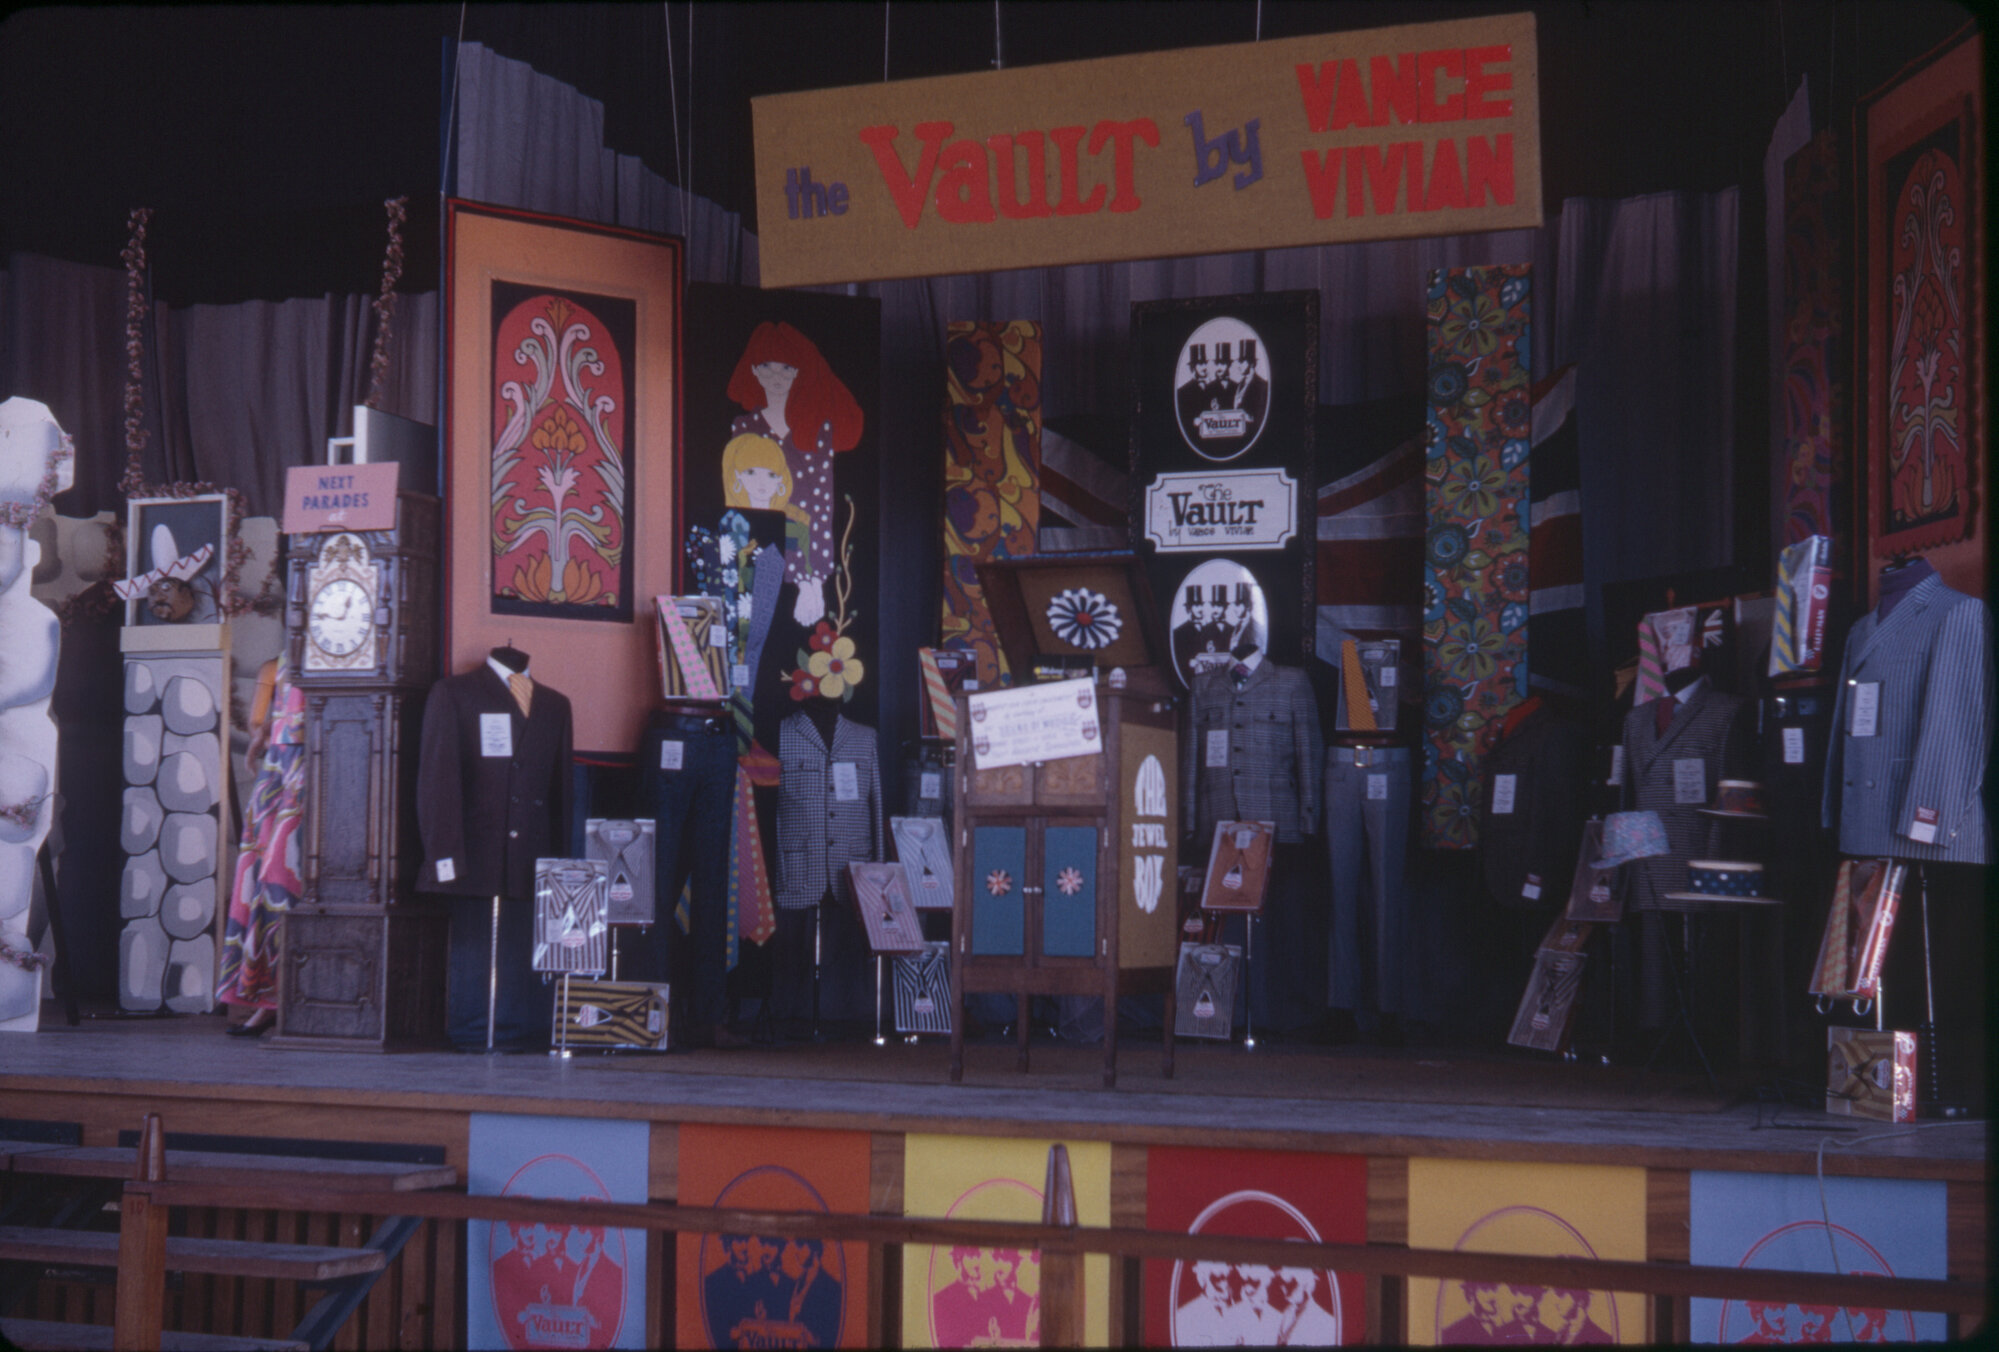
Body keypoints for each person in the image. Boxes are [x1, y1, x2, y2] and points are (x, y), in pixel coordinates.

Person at [726, 322, 864, 627]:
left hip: (809, 549)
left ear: (798, 372)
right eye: (767, 367)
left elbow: (820, 502)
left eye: (786, 368)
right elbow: (737, 499)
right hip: (757, 553)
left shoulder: (817, 429)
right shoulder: (744, 427)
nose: (776, 377)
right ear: (754, 371)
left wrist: (810, 579)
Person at [215, 657, 305, 1036]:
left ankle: (286, 998)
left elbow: (257, 725)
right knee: (266, 881)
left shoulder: (277, 665)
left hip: (307, 765)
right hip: (285, 769)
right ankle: (270, 998)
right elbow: (258, 725)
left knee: (280, 878)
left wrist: (261, 738)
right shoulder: (275, 665)